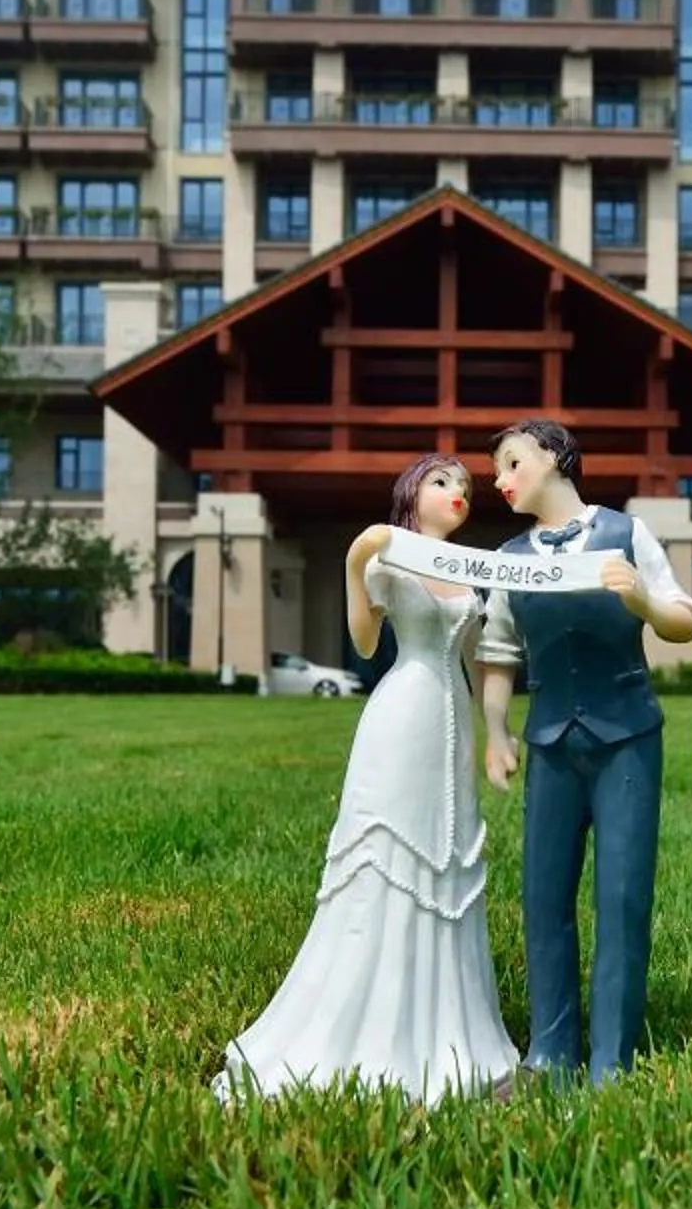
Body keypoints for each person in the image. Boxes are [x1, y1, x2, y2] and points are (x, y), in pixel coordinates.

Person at [214, 453, 518, 1106]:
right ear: (413, 494)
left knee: (449, 857)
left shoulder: (467, 574)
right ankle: (369, 1018)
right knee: (389, 853)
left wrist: (496, 733)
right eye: (442, 483)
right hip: (403, 710)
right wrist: (356, 565)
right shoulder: (388, 556)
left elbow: (477, 656)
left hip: (453, 716)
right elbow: (364, 641)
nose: (457, 494)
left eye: (464, 486)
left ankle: (453, 1024)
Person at [475, 418, 692, 1090]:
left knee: (622, 896)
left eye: (512, 463)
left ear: (552, 457)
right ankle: (550, 1050)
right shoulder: (509, 558)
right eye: (497, 470)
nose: (500, 479)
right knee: (543, 898)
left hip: (626, 734)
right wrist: (496, 731)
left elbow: (685, 619)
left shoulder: (626, 533)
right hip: (550, 740)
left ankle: (613, 1058)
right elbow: (497, 655)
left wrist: (642, 599)